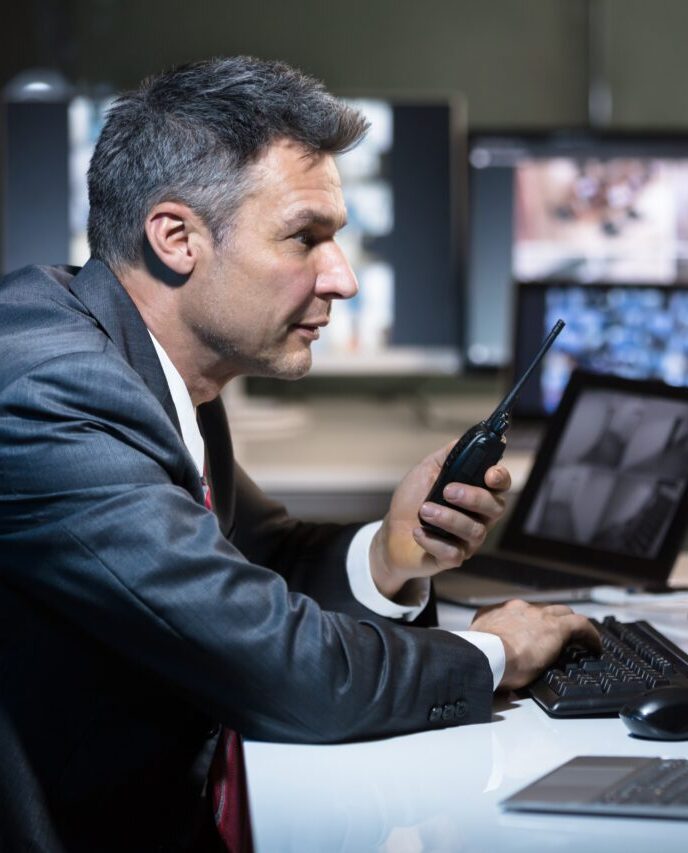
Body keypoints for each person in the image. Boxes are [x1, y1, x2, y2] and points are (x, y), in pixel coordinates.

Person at [0, 56, 599, 851]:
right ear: (176, 238)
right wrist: (493, 651)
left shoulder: (149, 362)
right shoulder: (53, 390)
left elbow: (251, 561)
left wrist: (390, 556)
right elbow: (280, 668)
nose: (343, 279)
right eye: (304, 238)